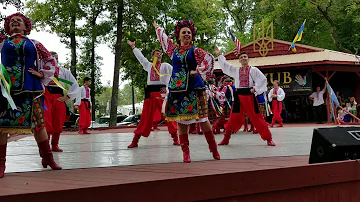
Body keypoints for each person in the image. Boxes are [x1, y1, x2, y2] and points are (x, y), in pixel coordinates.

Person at [0, 13, 62, 178]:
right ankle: (1, 163)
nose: (15, 22)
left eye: (18, 21)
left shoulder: (35, 44)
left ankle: (47, 158)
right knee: (2, 126)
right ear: (7, 26)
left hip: (31, 87)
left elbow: (50, 59)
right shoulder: (2, 42)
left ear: (26, 27)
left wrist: (42, 73)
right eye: (12, 21)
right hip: (7, 90)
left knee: (39, 124)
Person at [154, 20, 220, 163]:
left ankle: (213, 149)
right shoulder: (173, 51)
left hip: (195, 88)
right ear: (178, 36)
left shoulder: (195, 51)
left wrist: (197, 71)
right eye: (184, 32)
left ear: (192, 36)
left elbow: (208, 60)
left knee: (203, 120)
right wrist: (157, 28)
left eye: (189, 33)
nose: (186, 35)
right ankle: (186, 153)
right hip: (178, 90)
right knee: (181, 121)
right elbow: (164, 39)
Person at [215, 47, 276, 146]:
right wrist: (219, 55)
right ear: (239, 60)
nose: (243, 58)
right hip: (239, 96)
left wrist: (255, 89)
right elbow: (226, 66)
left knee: (257, 117)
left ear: (248, 59)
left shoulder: (254, 70)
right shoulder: (236, 70)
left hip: (249, 95)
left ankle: (268, 138)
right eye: (241, 57)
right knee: (233, 117)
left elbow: (263, 80)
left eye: (245, 57)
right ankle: (226, 138)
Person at [126, 40, 179, 148]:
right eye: (156, 54)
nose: (159, 55)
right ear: (152, 57)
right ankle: (135, 140)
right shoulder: (148, 65)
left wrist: (168, 87)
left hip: (162, 93)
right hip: (150, 93)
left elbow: (175, 75)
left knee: (168, 115)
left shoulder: (166, 65)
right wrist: (133, 47)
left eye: (160, 54)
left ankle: (175, 138)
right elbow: (141, 58)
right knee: (145, 117)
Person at [44, 51, 80, 152]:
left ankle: (55, 144)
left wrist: (68, 97)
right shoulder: (42, 70)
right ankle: (45, 146)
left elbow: (73, 84)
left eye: (56, 58)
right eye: (52, 58)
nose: (54, 61)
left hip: (59, 98)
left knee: (58, 121)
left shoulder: (63, 72)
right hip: (45, 97)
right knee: (46, 121)